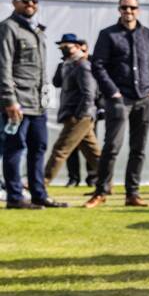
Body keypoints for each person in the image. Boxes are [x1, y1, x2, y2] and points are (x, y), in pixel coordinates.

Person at [85, 0, 149, 208]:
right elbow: (98, 65)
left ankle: (132, 194)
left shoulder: (148, 35)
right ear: (119, 10)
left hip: (145, 98)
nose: (128, 11)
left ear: (138, 10)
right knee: (112, 146)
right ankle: (101, 191)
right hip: (119, 99)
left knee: (138, 148)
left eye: (132, 7)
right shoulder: (108, 34)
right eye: (124, 7)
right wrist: (113, 92)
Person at [1, 0, 65, 208]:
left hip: (38, 103)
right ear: (15, 2)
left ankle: (38, 194)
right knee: (15, 148)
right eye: (25, 1)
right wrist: (9, 100)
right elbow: (4, 66)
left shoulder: (35, 29)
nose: (30, 4)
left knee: (39, 147)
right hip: (18, 102)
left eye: (34, 1)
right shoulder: (9, 28)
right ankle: (15, 197)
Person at [44, 35, 100, 191]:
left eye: (66, 47)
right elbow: (56, 83)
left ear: (78, 46)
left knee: (61, 149)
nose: (63, 49)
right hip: (74, 115)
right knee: (93, 153)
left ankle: (42, 182)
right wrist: (62, 64)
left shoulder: (83, 65)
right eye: (61, 47)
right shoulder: (68, 65)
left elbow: (89, 93)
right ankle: (105, 183)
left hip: (79, 116)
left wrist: (80, 115)